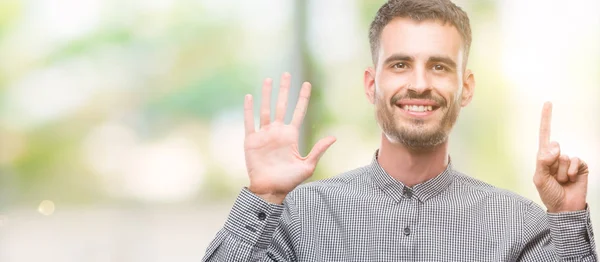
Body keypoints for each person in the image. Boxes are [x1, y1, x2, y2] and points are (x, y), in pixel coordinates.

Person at [202, 0, 596, 261]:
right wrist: (264, 196)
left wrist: (567, 217)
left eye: (439, 66)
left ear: (467, 88)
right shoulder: (300, 216)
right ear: (372, 84)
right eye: (400, 64)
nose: (420, 84)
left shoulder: (521, 224)